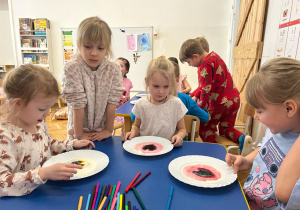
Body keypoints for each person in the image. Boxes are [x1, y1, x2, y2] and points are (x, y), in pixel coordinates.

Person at [0, 64, 95, 197]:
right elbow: (2, 184)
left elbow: (47, 145)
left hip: (44, 193)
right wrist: (42, 173)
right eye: (42, 109)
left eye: (49, 108)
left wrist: (71, 145)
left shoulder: (37, 121)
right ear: (18, 104)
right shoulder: (5, 137)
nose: (48, 114)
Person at [225, 57, 300, 210]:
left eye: (260, 111)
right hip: (245, 201)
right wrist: (247, 160)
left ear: (289, 109)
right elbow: (264, 147)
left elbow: (285, 192)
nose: (256, 116)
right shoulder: (277, 129)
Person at [179, 38, 250, 153]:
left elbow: (206, 90)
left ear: (195, 56)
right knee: (226, 128)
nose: (190, 65)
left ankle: (213, 153)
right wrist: (193, 96)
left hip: (219, 103)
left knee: (205, 128)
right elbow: (203, 86)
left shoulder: (204, 65)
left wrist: (198, 108)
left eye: (189, 62)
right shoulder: (215, 57)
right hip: (233, 100)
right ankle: (242, 138)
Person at [61, 17, 124, 141]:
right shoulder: (72, 68)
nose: (94, 53)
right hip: (79, 133)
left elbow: (112, 103)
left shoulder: (113, 69)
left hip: (102, 132)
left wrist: (108, 130)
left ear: (107, 48)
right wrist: (79, 135)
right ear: (79, 45)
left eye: (100, 48)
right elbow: (77, 104)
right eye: (88, 47)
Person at [123, 56, 187, 147]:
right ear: (147, 82)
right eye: (156, 86)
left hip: (167, 148)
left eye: (166, 86)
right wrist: (132, 132)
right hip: (144, 149)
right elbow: (136, 126)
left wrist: (178, 136)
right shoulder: (141, 104)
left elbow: (182, 129)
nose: (161, 91)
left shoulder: (176, 103)